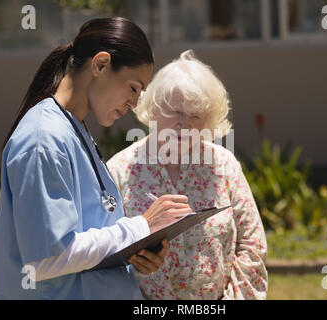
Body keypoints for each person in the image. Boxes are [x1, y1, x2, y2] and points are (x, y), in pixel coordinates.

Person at [0, 17, 192, 300]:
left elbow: (91, 243)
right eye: (133, 88)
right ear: (100, 64)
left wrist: (134, 254)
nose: (135, 104)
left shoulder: (74, 129)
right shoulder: (43, 138)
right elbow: (47, 259)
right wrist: (140, 227)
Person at [107, 50, 268, 300]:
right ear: (155, 110)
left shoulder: (224, 165)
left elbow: (252, 247)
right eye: (175, 112)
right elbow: (105, 252)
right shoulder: (120, 169)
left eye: (196, 115)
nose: (185, 125)